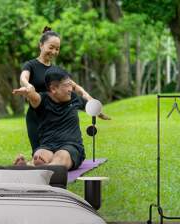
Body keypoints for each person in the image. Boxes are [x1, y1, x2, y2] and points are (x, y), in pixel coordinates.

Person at [14, 27, 109, 166]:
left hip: (58, 114)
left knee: (58, 152)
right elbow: (23, 77)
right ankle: (33, 165)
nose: (54, 52)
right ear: (41, 45)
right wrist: (28, 86)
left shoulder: (55, 72)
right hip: (37, 114)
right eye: (51, 47)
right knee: (40, 151)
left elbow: (74, 85)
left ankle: (37, 167)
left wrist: (89, 99)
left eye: (57, 49)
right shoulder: (31, 65)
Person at [13, 66, 94, 170]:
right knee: (39, 156)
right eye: (67, 85)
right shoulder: (41, 100)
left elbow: (93, 107)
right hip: (47, 146)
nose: (70, 89)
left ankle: (35, 169)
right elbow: (34, 96)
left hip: (71, 146)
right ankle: (33, 166)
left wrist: (97, 109)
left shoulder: (74, 98)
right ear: (53, 89)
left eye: (71, 85)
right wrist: (28, 92)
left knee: (61, 156)